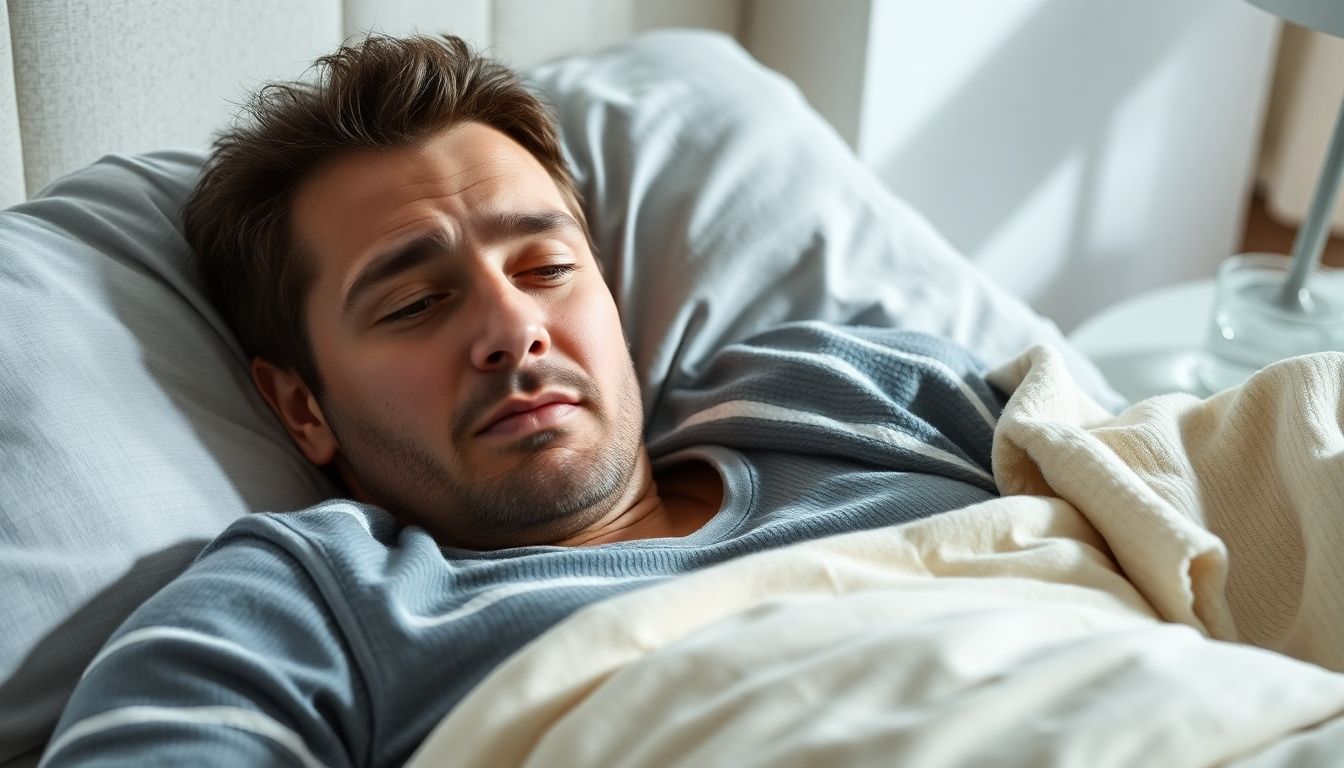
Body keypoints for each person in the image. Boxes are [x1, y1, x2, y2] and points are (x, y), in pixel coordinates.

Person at [45, 34, 1005, 766]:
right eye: (416, 302)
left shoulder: (854, 397)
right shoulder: (314, 608)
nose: (513, 329)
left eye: (546, 265)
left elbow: (1144, 492)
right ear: (303, 409)